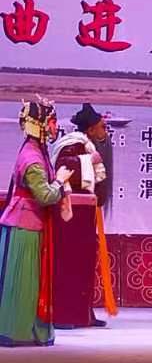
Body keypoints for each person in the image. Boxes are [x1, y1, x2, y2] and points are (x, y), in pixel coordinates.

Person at [0, 97, 73, 347]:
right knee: (24, 282)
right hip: (25, 226)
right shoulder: (32, 158)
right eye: (52, 121)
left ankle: (25, 330)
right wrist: (60, 181)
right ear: (40, 124)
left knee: (29, 282)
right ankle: (17, 330)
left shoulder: (35, 151)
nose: (55, 127)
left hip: (28, 223)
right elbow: (44, 196)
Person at [51, 103, 117, 328]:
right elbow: (63, 168)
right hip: (71, 217)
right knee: (69, 263)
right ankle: (64, 316)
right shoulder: (72, 145)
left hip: (84, 217)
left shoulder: (86, 145)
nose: (104, 131)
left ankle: (83, 314)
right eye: (102, 127)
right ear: (90, 129)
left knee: (85, 263)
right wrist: (89, 161)